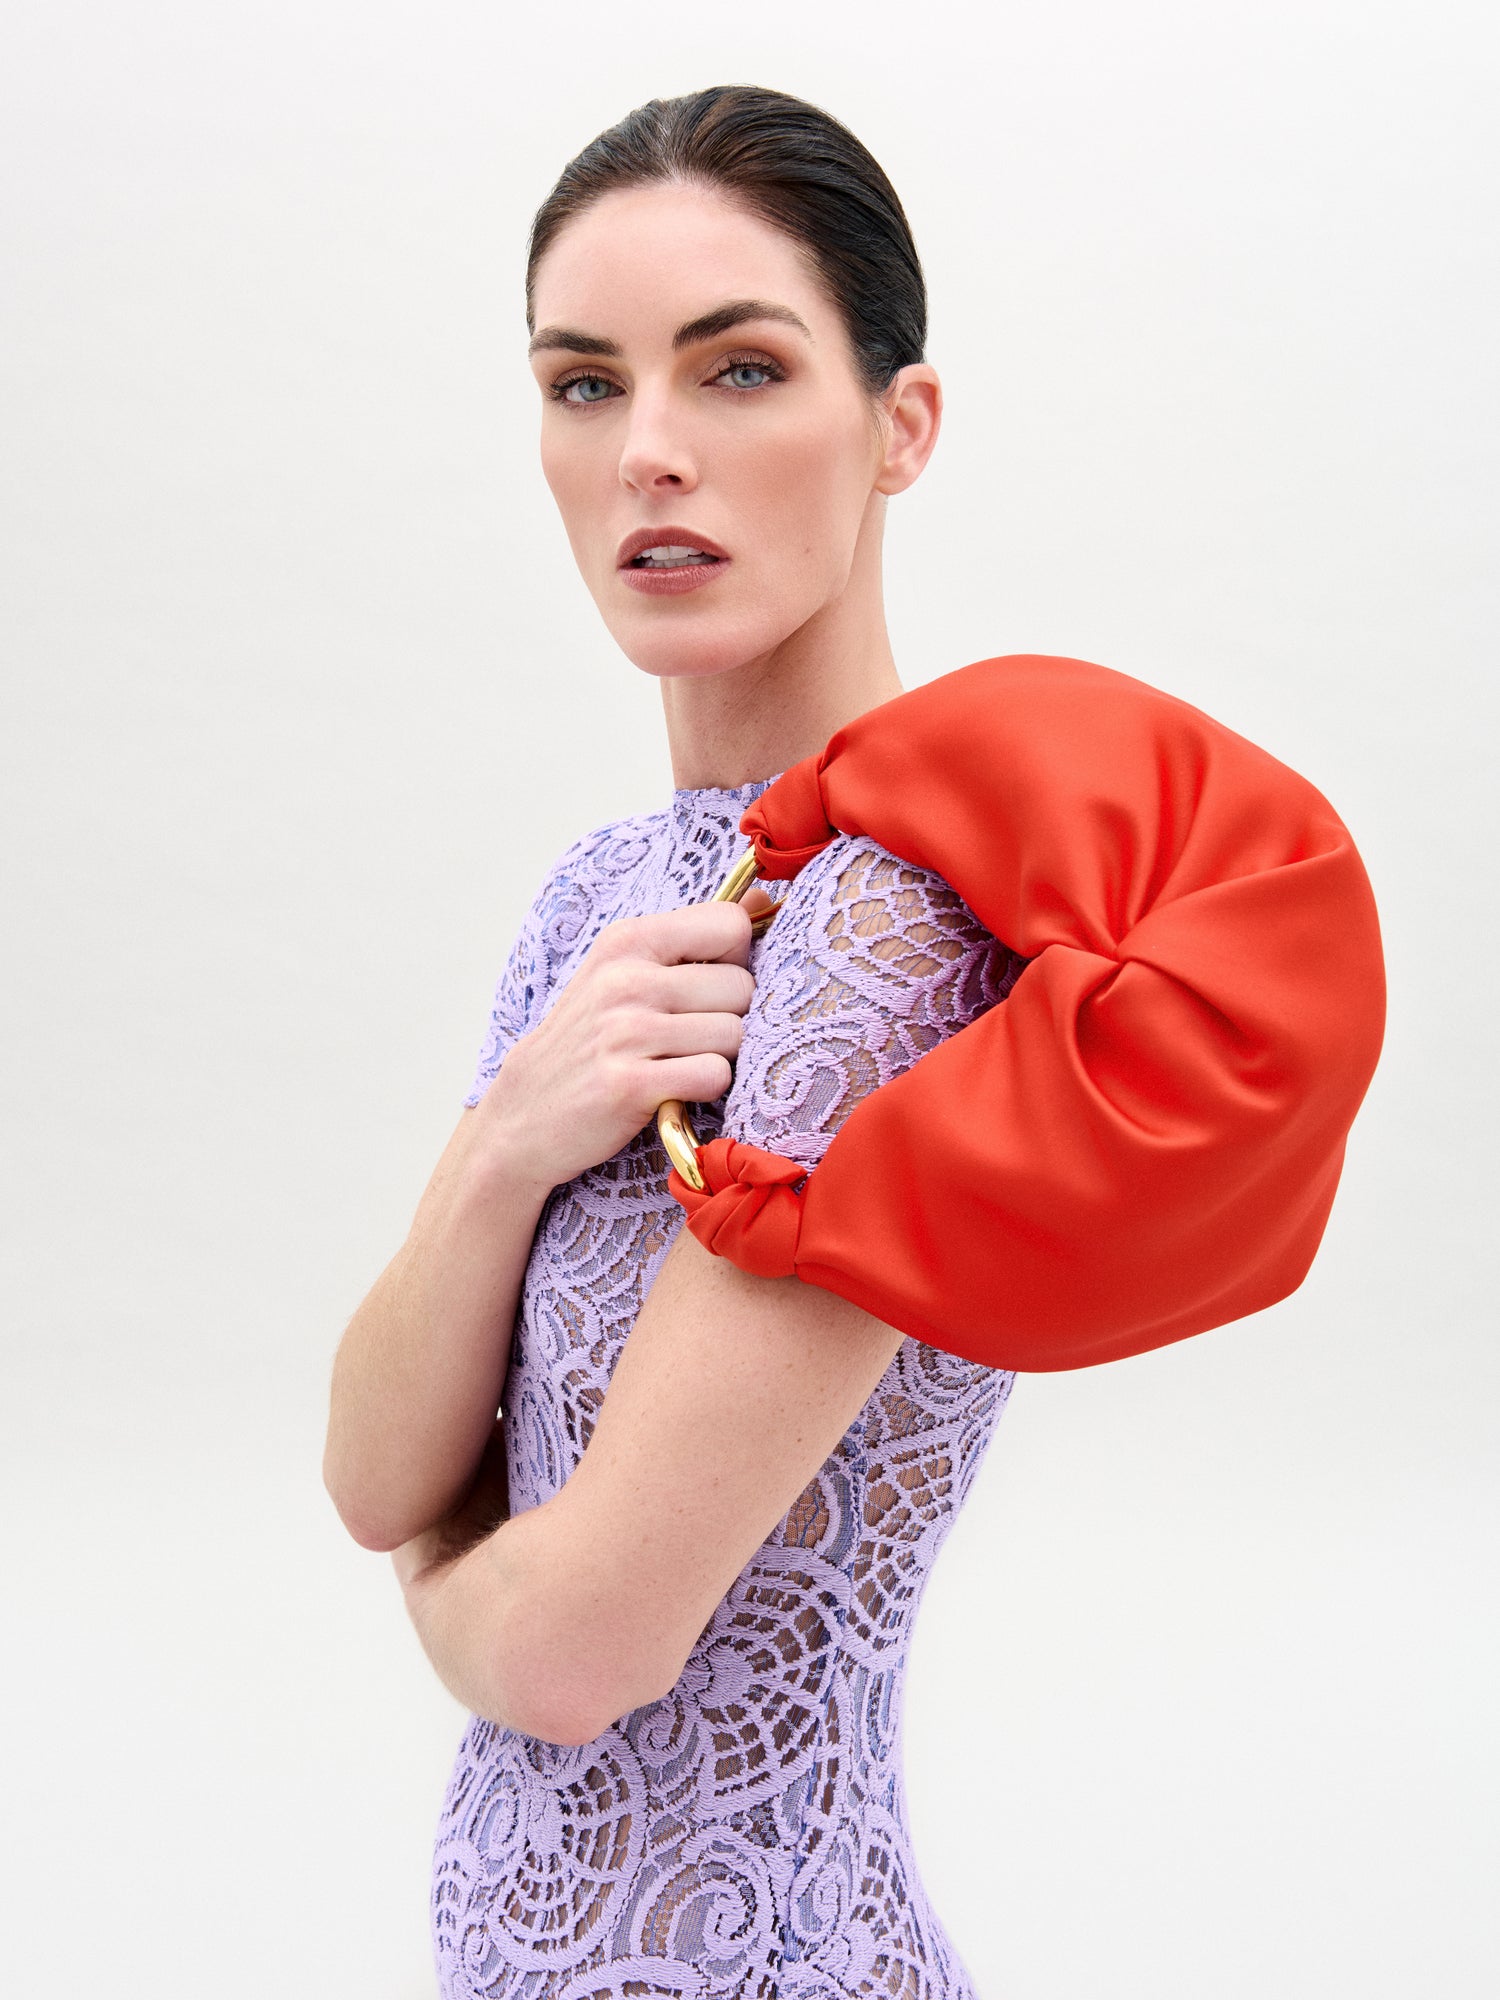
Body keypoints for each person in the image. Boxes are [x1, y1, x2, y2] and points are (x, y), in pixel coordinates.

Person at [322, 82, 1056, 1997]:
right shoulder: (608, 900)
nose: (650, 451)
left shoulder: (893, 937)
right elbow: (369, 1461)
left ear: (900, 428)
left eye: (737, 372)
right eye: (585, 385)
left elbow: (572, 1651)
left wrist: (438, 1584)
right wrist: (510, 1139)